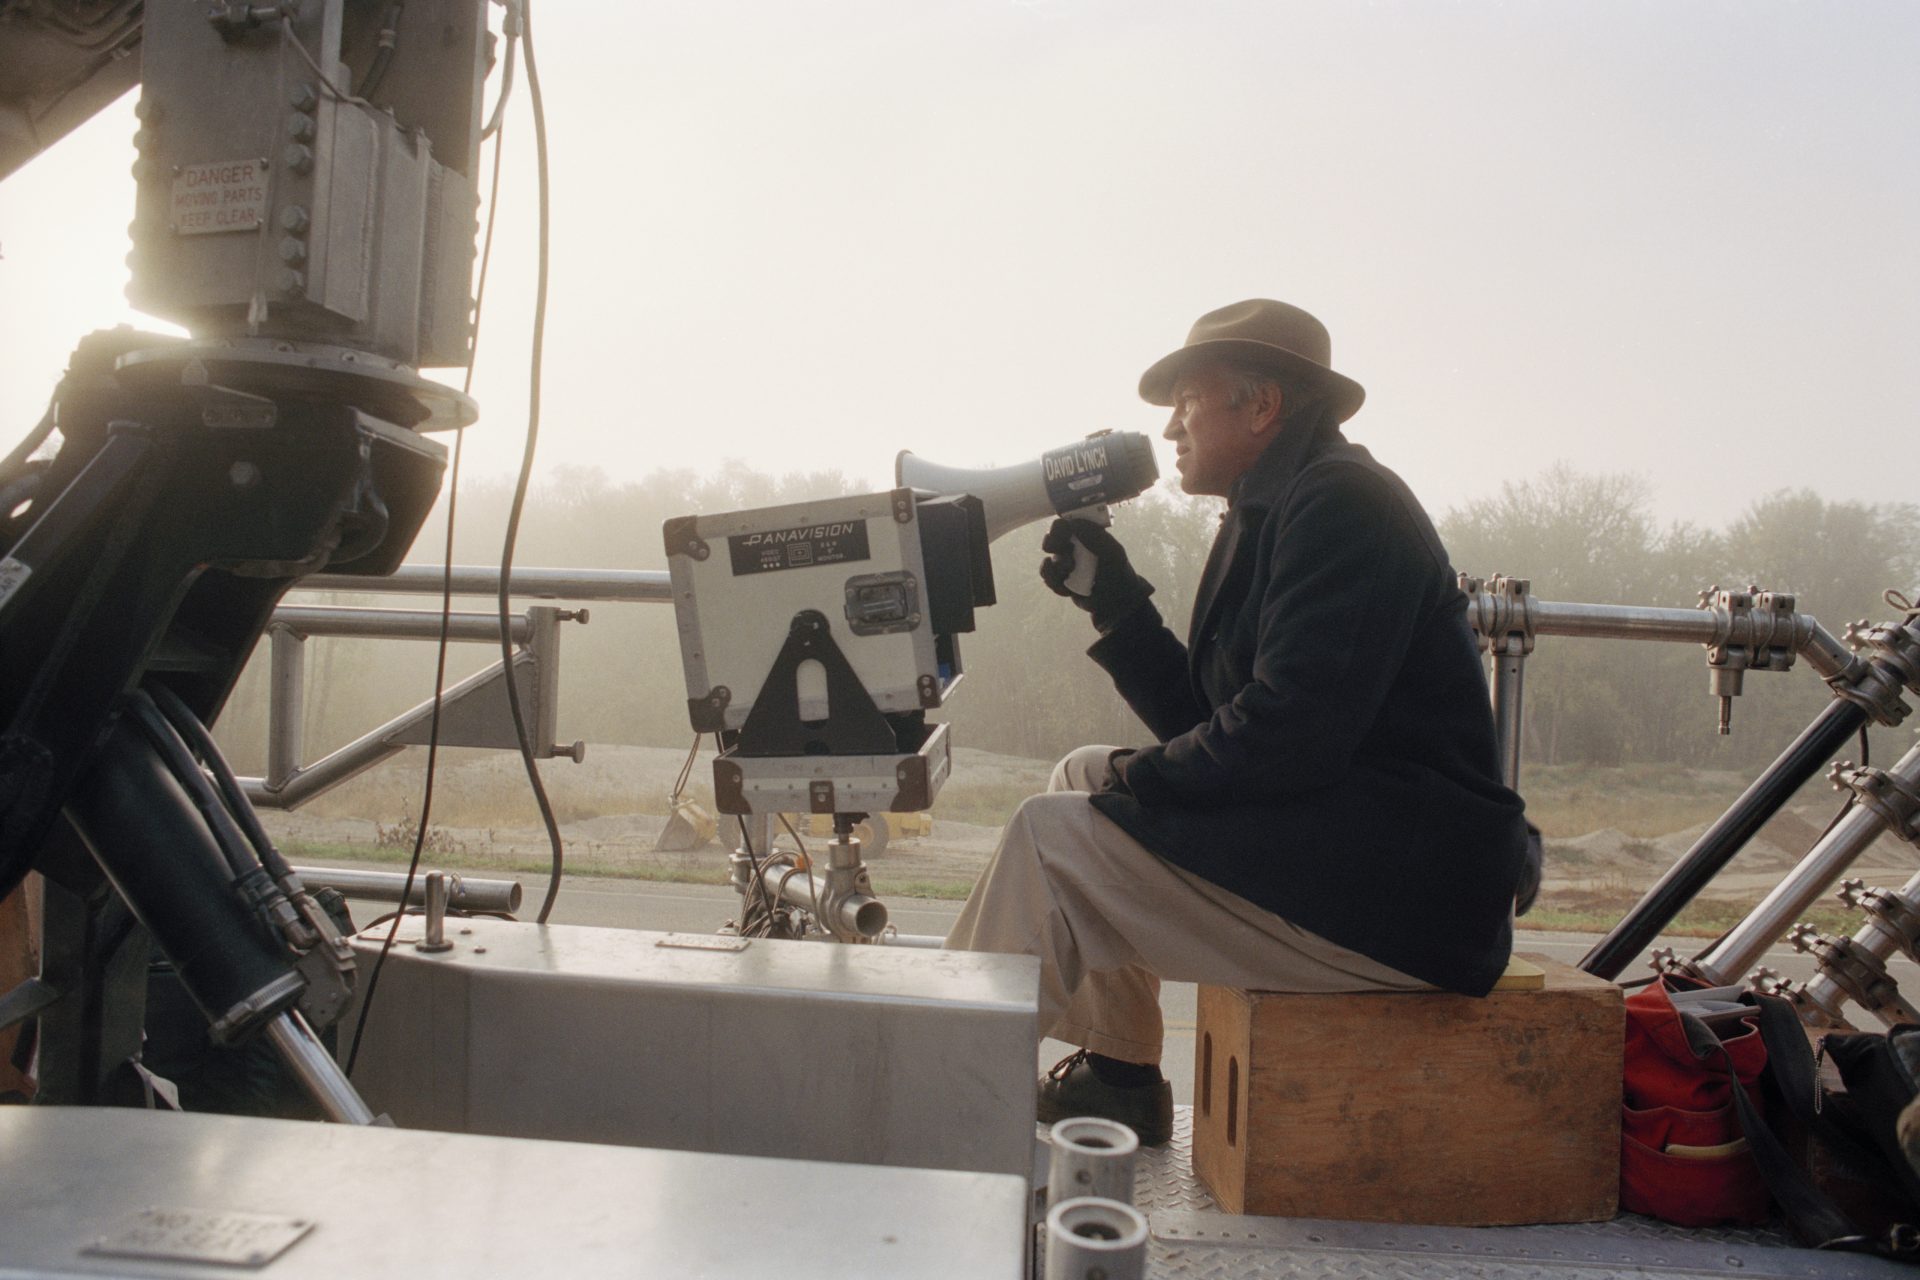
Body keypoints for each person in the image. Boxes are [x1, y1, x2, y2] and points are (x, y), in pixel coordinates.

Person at [945, 298, 1531, 1145]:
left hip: (1402, 905)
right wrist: (1117, 607)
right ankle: (1119, 1076)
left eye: (1188, 401)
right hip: (1346, 854)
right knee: (1078, 773)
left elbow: (1287, 734)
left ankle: (932, 1104)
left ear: (1262, 406)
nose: (1173, 428)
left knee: (1052, 837)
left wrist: (1136, 782)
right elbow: (1220, 721)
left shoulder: (1344, 505)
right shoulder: (1278, 504)